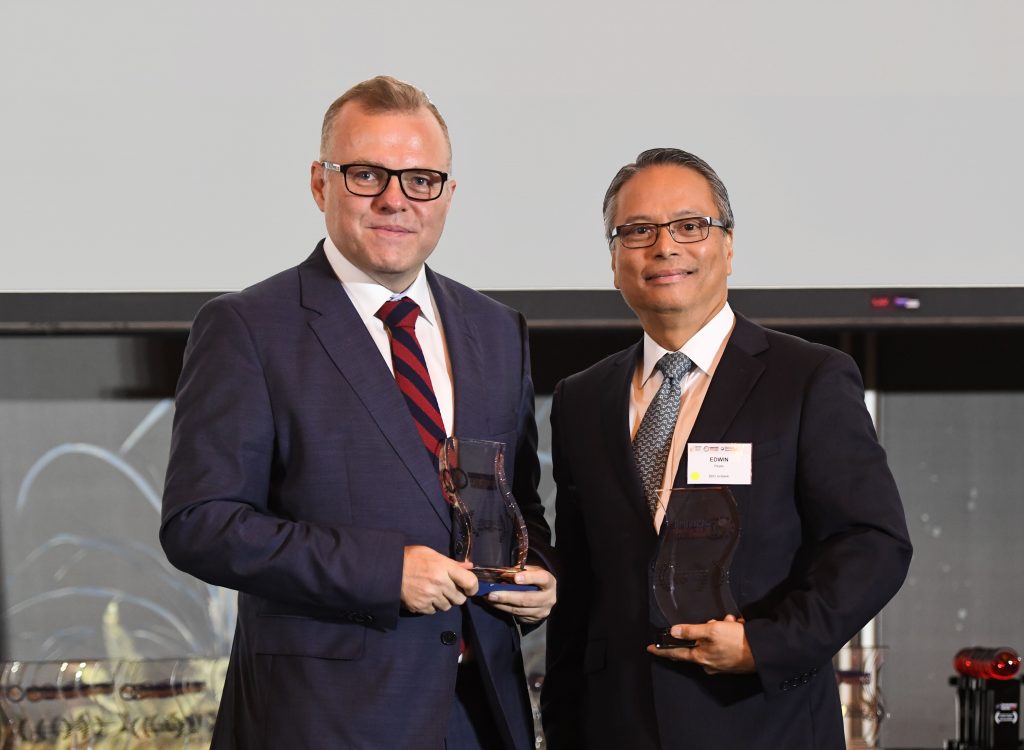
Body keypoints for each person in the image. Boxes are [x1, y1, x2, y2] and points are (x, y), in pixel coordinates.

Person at [161, 75, 556, 750]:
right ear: (321, 184)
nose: (395, 200)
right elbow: (201, 524)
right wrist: (383, 571)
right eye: (367, 175)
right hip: (326, 721)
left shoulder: (497, 330)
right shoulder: (247, 327)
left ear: (447, 195)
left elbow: (517, 505)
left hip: (483, 715)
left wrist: (539, 575)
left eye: (421, 180)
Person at [540, 147, 912, 749]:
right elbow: (580, 588)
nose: (664, 247)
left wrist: (767, 644)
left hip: (762, 721)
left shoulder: (808, 378)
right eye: (638, 231)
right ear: (614, 259)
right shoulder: (581, 398)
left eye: (690, 226)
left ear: (729, 246)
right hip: (616, 726)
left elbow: (873, 542)